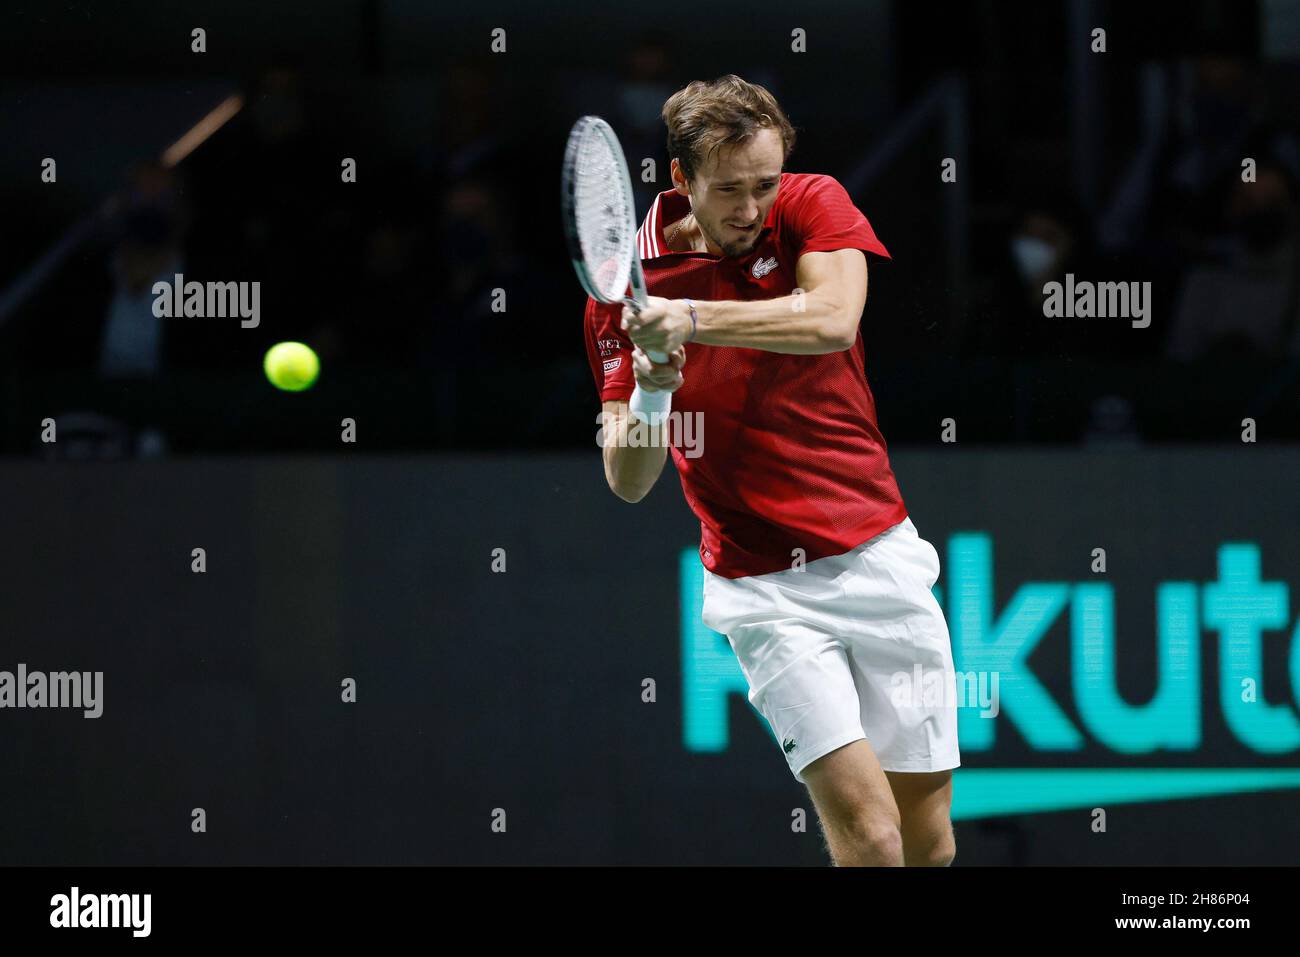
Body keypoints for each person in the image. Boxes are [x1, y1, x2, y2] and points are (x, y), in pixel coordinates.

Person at [583, 75, 959, 866]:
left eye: (764, 183)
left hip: (879, 554)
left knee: (927, 847)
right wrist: (654, 386)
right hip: (764, 590)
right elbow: (628, 476)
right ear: (681, 180)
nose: (751, 209)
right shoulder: (622, 294)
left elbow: (830, 320)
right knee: (872, 835)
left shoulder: (811, 202)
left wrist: (690, 319)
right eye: (728, 190)